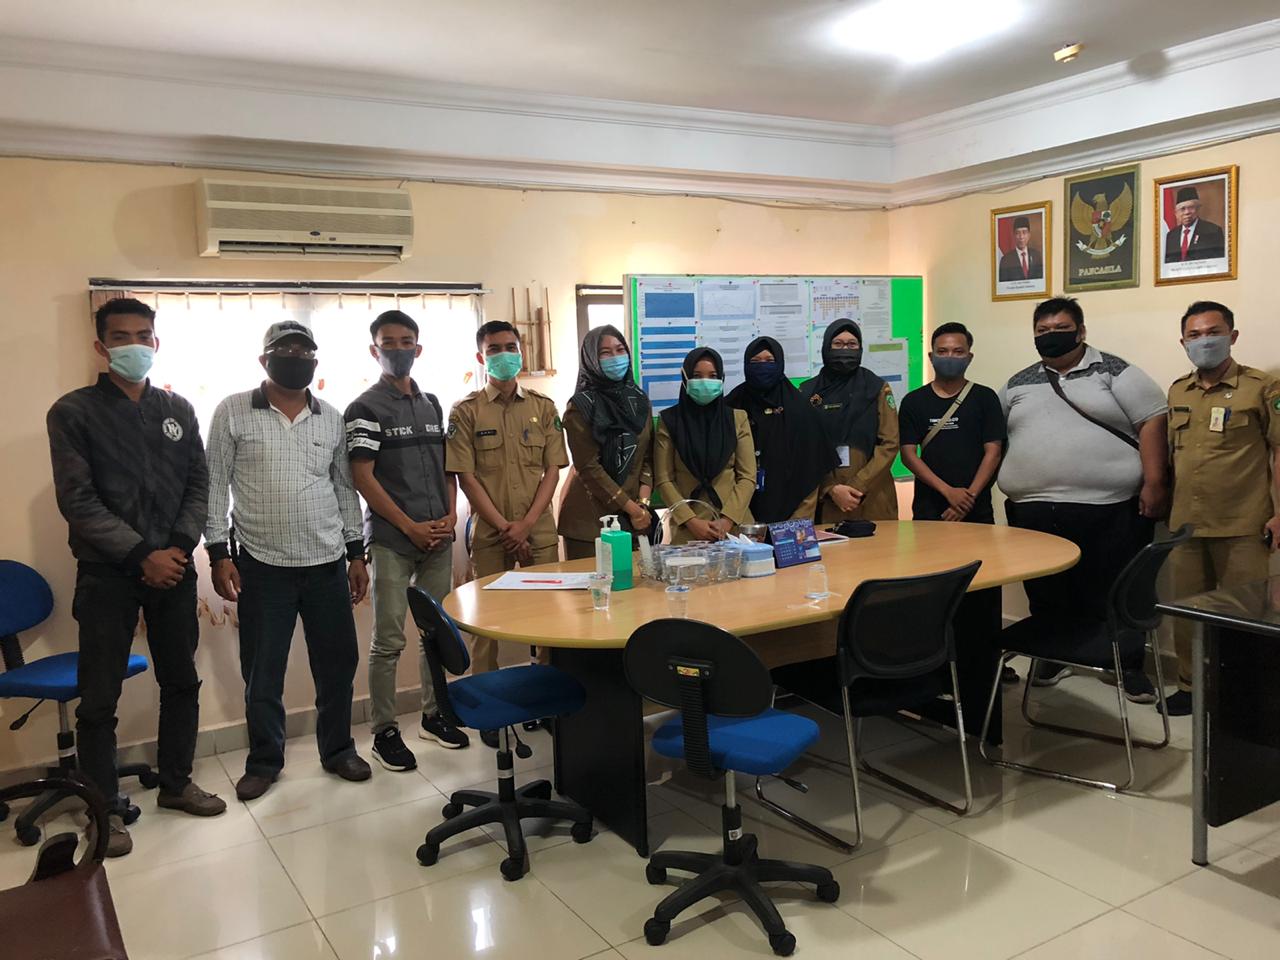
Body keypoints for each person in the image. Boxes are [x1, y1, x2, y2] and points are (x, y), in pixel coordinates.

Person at [47, 298, 225, 857]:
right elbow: (78, 501)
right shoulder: (73, 412)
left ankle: (176, 784)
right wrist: (142, 553)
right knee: (99, 697)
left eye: (143, 335)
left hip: (174, 567)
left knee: (182, 681)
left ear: (156, 342)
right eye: (120, 336)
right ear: (100, 346)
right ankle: (102, 811)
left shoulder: (177, 409)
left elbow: (199, 485)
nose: (133, 345)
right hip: (108, 573)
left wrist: (176, 548)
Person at [206, 320, 371, 801]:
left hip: (326, 563)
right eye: (286, 351)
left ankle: (338, 750)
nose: (296, 359)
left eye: (305, 352)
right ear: (265, 360)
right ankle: (264, 761)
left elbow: (345, 490)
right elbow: (214, 485)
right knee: (263, 673)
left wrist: (355, 553)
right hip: (262, 566)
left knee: (337, 665)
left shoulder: (330, 417)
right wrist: (218, 553)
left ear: (315, 361)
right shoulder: (233, 410)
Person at [998, 297, 1169, 703]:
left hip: (1109, 507)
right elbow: (994, 433)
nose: (1051, 336)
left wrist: (1155, 482)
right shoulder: (1019, 382)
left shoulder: (1115, 371)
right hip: (1033, 509)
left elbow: (1152, 420)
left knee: (1117, 589)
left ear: (1081, 331)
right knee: (1047, 591)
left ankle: (1128, 666)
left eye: (1061, 328)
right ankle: (1052, 657)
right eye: (1043, 330)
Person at [345, 310, 468, 769]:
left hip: (438, 537)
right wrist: (408, 525)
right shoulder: (364, 408)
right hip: (392, 541)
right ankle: (385, 731)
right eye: (388, 342)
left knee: (436, 633)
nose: (398, 349)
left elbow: (446, 468)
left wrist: (450, 515)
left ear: (418, 348)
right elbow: (363, 477)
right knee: (389, 639)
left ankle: (434, 716)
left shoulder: (432, 403)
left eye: (406, 341)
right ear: (374, 350)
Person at [447, 321, 566, 745]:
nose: (504, 354)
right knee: (486, 627)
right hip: (491, 535)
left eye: (510, 347)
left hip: (539, 531)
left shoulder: (543, 407)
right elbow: (465, 477)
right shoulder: (465, 411)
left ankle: (548, 703)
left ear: (522, 351)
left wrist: (527, 525)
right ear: (481, 357)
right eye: (494, 348)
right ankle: (487, 710)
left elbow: (552, 470)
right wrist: (505, 527)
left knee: (549, 622)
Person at [1163, 301, 1280, 716]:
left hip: (1243, 524)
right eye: (1194, 335)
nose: (1204, 341)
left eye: (1213, 332)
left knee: (1246, 615)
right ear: (1183, 342)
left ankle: (1242, 694)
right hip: (1186, 525)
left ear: (1232, 336)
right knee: (1186, 611)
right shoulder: (1178, 390)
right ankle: (1189, 685)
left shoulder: (1262, 387)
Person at [558, 325, 654, 560]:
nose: (615, 358)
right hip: (590, 522)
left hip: (634, 519)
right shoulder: (580, 406)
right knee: (595, 583)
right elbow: (588, 467)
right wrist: (632, 509)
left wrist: (642, 505)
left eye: (620, 350)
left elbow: (646, 457)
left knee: (635, 582)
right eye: (605, 353)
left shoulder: (639, 400)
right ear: (591, 359)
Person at [899, 322, 1005, 523]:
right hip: (929, 506)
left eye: (958, 352)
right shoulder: (913, 401)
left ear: (969, 357)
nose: (950, 357)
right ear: (931, 357)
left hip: (976, 506)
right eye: (942, 351)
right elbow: (908, 455)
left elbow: (994, 453)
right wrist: (948, 491)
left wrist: (967, 499)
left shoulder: (985, 397)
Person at [726, 337, 834, 524]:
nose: (762, 367)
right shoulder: (731, 405)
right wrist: (736, 518)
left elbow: (811, 471)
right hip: (737, 515)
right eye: (755, 362)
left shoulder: (801, 409)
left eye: (769, 361)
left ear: (781, 364)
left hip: (793, 516)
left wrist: (795, 524)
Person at [653, 347, 756, 544]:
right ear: (685, 378)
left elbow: (747, 476)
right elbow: (664, 479)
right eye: (697, 376)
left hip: (735, 527)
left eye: (712, 376)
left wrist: (727, 519)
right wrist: (691, 521)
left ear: (722, 378)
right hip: (688, 530)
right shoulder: (669, 420)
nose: (705, 381)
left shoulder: (737, 418)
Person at [800, 319, 899, 523]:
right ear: (826, 347)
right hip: (826, 499)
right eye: (838, 344)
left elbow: (890, 443)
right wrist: (830, 488)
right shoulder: (808, 392)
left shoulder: (877, 388)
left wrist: (858, 485)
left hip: (872, 496)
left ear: (860, 348)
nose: (845, 349)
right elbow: (804, 448)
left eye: (852, 344)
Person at [1163, 186, 1225, 263]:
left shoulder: (1213, 231)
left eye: (1191, 207)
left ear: (1198, 209)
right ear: (1176, 213)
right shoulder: (1171, 235)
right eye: (1182, 209)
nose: (1187, 212)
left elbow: (1219, 262)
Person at [998, 216, 1045, 282]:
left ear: (1029, 235)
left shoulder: (1037, 256)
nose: (1021, 237)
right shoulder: (1005, 260)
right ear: (1014, 236)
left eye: (1024, 232)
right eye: (1018, 233)